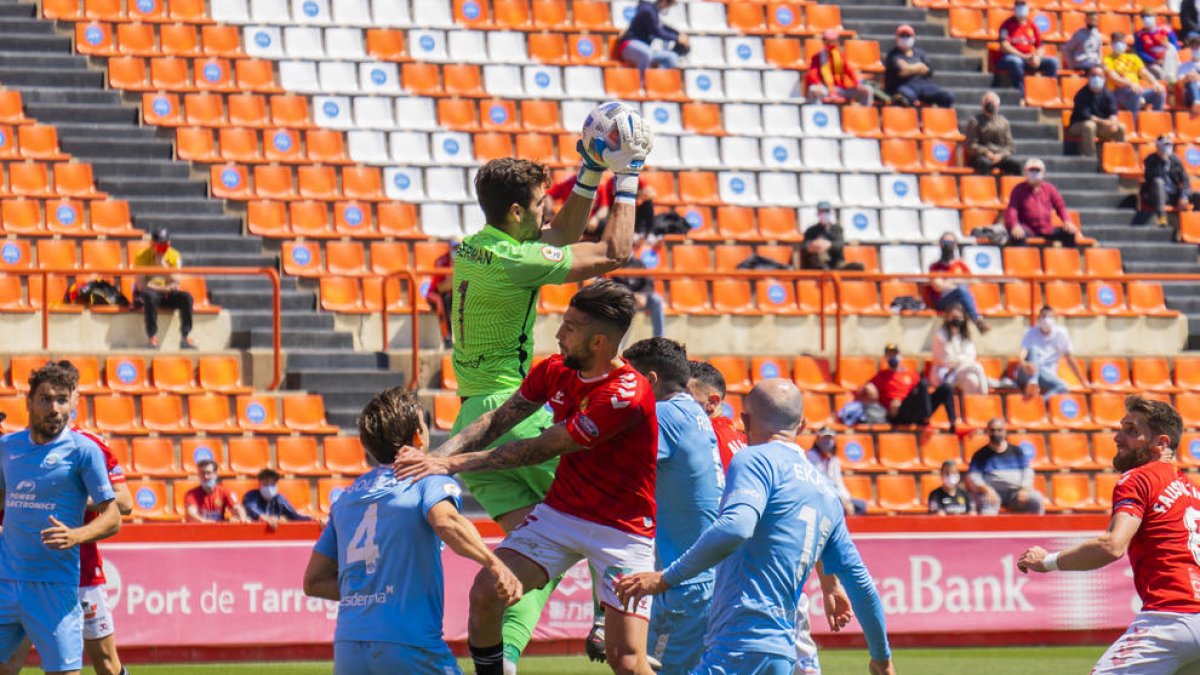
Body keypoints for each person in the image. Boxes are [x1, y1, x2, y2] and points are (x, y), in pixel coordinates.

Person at [447, 105, 651, 671]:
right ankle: (601, 618)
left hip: (469, 413)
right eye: (538, 204)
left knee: (528, 561)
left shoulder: (475, 246)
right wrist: (626, 175)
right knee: (601, 502)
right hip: (515, 409)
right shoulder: (515, 261)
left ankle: (502, 660)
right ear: (516, 211)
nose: (546, 213)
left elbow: (559, 235)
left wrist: (588, 172)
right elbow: (614, 253)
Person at [394, 281, 659, 675]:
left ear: (599, 342)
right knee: (486, 593)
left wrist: (451, 466)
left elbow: (542, 448)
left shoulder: (626, 393)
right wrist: (435, 458)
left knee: (626, 660)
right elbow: (498, 419)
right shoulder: (554, 368)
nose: (558, 333)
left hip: (622, 531)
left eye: (570, 327)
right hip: (561, 515)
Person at [614, 379, 895, 675]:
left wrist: (666, 578)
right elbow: (861, 583)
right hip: (781, 654)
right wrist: (882, 657)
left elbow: (736, 527)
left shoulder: (753, 460)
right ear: (801, 425)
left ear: (745, 420)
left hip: (739, 645)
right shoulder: (826, 491)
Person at [303, 387, 522, 675]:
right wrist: (494, 563)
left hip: (348, 648)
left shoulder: (346, 498)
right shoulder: (424, 477)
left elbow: (314, 582)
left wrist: (371, 592)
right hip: (408, 645)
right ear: (419, 435)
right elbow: (446, 522)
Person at [1017, 396, 1200, 674]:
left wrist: (1047, 561)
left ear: (1161, 443)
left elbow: (1111, 546)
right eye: (1120, 427)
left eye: (1131, 430)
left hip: (1170, 619)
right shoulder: (1193, 492)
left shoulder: (1139, 478)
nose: (1117, 437)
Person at [0, 361, 120, 675]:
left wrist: (76, 536)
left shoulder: (84, 451)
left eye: (62, 400)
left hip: (55, 586)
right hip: (7, 582)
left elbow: (114, 516)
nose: (55, 408)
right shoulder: (6, 448)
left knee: (74, 670)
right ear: (28, 403)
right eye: (46, 399)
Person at [623, 338, 722, 673]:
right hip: (706, 576)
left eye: (629, 378)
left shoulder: (662, 415)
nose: (624, 387)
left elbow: (617, 471)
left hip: (682, 583)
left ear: (649, 380)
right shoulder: (694, 412)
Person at [859, 343, 959, 433]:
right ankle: (926, 421)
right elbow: (860, 391)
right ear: (886, 357)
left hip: (915, 408)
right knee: (923, 384)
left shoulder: (911, 374)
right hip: (899, 413)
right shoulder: (881, 376)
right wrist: (868, 388)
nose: (892, 357)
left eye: (894, 354)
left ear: (900, 356)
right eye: (889, 355)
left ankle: (953, 423)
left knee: (945, 388)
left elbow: (922, 392)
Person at [966, 418, 1046, 515]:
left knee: (1036, 499)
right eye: (992, 430)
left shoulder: (1017, 451)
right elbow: (973, 477)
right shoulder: (980, 455)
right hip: (992, 493)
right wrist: (986, 489)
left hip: (1015, 494)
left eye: (999, 430)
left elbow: (1028, 472)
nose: (996, 433)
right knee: (987, 504)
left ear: (1005, 432)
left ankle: (1034, 529)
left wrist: (1024, 489)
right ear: (987, 432)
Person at [133, 228, 195, 350]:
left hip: (167, 294)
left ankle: (185, 336)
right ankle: (152, 337)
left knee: (187, 298)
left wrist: (164, 266)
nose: (162, 246)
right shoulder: (142, 256)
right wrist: (164, 288)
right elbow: (141, 285)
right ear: (152, 243)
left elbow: (176, 281)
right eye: (159, 243)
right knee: (150, 296)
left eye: (164, 243)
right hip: (152, 293)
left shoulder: (174, 255)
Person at [1015, 306, 1088, 399]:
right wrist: (1024, 364)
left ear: (1055, 319)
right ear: (1039, 318)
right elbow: (1022, 353)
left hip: (1046, 374)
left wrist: (1083, 381)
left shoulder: (1061, 333)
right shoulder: (1030, 332)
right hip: (1028, 372)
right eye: (1044, 316)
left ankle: (1041, 403)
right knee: (1034, 350)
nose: (1046, 319)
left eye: (1050, 317)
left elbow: (1069, 358)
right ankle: (1032, 383)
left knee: (1063, 387)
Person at [687, 360, 747, 471]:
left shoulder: (700, 438)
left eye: (685, 398)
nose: (675, 404)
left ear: (712, 402)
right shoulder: (743, 439)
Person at [1004, 158, 1078, 247]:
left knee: (1069, 233)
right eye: (1031, 170)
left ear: (1043, 173)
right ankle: (1024, 260)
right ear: (1026, 172)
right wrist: (1014, 225)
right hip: (1027, 228)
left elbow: (1060, 206)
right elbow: (1012, 209)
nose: (1034, 173)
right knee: (1017, 235)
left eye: (1037, 170)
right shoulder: (1018, 190)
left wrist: (1067, 221)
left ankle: (1069, 260)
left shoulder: (1050, 189)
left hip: (1046, 229)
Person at [924, 233, 989, 334]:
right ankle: (977, 320)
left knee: (963, 293)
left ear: (955, 245)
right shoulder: (935, 266)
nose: (948, 245)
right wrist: (958, 283)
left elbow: (972, 280)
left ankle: (969, 326)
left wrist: (951, 281)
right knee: (962, 290)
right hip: (943, 301)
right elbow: (938, 286)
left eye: (951, 242)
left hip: (959, 301)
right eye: (945, 242)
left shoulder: (961, 264)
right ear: (940, 244)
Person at [995, 0, 1059, 99]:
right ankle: (1021, 96)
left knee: (1053, 62)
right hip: (1010, 59)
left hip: (1029, 59)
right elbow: (1004, 46)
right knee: (1015, 62)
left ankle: (1047, 95)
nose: (1021, 8)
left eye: (1023, 5)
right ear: (1014, 8)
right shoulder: (1006, 25)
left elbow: (1040, 46)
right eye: (1018, 5)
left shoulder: (1032, 25)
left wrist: (1036, 57)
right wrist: (1024, 57)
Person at [884, 24, 954, 108]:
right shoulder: (893, 54)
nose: (905, 38)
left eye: (908, 35)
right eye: (902, 35)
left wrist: (908, 67)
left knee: (947, 97)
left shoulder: (920, 53)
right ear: (897, 38)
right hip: (904, 85)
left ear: (913, 37)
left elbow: (929, 70)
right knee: (903, 99)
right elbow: (901, 72)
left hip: (922, 85)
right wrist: (919, 67)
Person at [1104, 32, 1166, 125]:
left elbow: (1145, 73)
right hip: (1117, 92)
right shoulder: (1107, 60)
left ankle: (1156, 124)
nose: (1120, 45)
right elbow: (1115, 78)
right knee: (1134, 93)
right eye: (1117, 42)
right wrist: (1131, 84)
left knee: (1159, 92)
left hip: (1136, 90)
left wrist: (1155, 83)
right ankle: (1134, 125)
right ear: (1112, 44)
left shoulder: (1134, 58)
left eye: (1122, 42)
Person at [1067, 65, 1126, 158]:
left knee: (1120, 127)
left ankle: (1119, 157)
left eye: (1099, 76)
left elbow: (1113, 112)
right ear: (1088, 77)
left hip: (1101, 126)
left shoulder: (1108, 94)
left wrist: (1113, 123)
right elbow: (1087, 116)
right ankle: (1090, 156)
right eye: (1093, 75)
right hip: (1078, 125)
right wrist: (1105, 122)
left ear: (1104, 78)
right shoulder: (1081, 94)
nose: (1096, 78)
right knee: (1089, 126)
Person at [806, 427, 867, 516]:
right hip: (820, 497)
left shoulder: (834, 459)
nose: (827, 441)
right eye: (825, 438)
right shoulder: (811, 457)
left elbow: (839, 482)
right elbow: (821, 483)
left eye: (830, 438)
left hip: (835, 496)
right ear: (818, 439)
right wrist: (840, 498)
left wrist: (846, 499)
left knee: (861, 506)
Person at [931, 304, 989, 395]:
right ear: (948, 318)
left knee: (972, 380)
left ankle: (970, 408)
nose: (957, 320)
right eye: (954, 317)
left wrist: (959, 360)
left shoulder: (965, 336)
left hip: (960, 371)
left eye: (959, 317)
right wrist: (962, 359)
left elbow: (971, 355)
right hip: (945, 374)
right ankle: (985, 394)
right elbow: (948, 360)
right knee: (977, 367)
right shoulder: (940, 335)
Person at [805, 29, 873, 106]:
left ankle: (864, 115)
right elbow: (812, 73)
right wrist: (817, 83)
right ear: (824, 41)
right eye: (828, 41)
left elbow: (849, 71)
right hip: (825, 88)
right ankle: (818, 114)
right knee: (813, 90)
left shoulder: (841, 56)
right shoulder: (817, 57)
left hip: (841, 89)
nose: (831, 44)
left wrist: (857, 84)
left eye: (833, 41)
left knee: (867, 90)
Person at [1141, 134, 1195, 227]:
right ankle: (1162, 218)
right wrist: (1162, 161)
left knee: (1197, 196)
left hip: (1173, 194)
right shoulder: (1151, 159)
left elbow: (1185, 179)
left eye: (1169, 145)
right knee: (1159, 182)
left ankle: (1193, 223)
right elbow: (1149, 178)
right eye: (1164, 145)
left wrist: (1184, 196)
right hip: (1156, 195)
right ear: (1157, 147)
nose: (1167, 148)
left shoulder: (1175, 160)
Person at [617, 0, 685, 73]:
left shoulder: (655, 12)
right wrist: (676, 38)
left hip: (646, 48)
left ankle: (655, 80)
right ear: (664, 1)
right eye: (669, 5)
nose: (668, 8)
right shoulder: (647, 10)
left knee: (672, 57)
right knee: (646, 53)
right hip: (630, 45)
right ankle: (642, 83)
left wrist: (678, 35)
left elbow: (662, 29)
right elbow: (656, 31)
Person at [964, 92, 1022, 175]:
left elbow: (1010, 146)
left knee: (1016, 164)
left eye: (993, 101)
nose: (990, 104)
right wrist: (986, 153)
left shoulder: (1004, 122)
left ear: (998, 105)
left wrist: (1001, 155)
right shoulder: (975, 122)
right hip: (982, 156)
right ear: (982, 104)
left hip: (1000, 156)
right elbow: (971, 145)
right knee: (984, 163)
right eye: (987, 101)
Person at [801, 201, 862, 271]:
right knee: (821, 255)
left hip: (836, 263)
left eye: (826, 211)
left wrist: (829, 245)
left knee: (855, 267)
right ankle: (824, 268)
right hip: (819, 263)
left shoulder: (837, 229)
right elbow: (806, 246)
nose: (824, 214)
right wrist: (816, 245)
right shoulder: (811, 230)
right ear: (818, 213)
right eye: (822, 211)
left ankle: (850, 267)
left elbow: (839, 245)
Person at [243, 468, 314, 527]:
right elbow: (251, 508)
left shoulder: (279, 499)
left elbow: (294, 516)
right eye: (265, 484)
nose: (269, 487)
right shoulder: (251, 496)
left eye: (272, 484)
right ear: (259, 484)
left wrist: (313, 520)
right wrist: (263, 517)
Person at [183, 460, 249, 523]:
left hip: (219, 530)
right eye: (202, 473)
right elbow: (191, 513)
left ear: (215, 474)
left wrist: (242, 518)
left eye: (208, 473)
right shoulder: (191, 494)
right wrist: (203, 522)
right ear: (198, 475)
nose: (205, 476)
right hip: (199, 530)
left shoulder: (225, 492)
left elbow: (236, 507)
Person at [426, 239, 458, 350]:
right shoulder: (441, 262)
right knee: (443, 299)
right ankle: (447, 338)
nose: (457, 250)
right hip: (436, 294)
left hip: (453, 292)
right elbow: (440, 287)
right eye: (455, 248)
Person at [1133, 8, 1179, 82]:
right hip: (1153, 63)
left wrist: (1167, 54)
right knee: (1159, 73)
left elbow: (1176, 46)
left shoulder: (1166, 30)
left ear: (1155, 17)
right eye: (1145, 16)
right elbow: (1140, 52)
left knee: (1175, 73)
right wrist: (1154, 61)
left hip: (1169, 60)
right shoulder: (1139, 35)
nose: (1147, 18)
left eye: (1150, 16)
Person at [1176, 36, 1200, 115]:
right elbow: (1180, 85)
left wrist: (1198, 77)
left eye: (1198, 47)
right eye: (1194, 47)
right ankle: (1196, 102)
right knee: (1190, 82)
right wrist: (1187, 78)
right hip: (1190, 96)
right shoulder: (1183, 66)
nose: (1196, 50)